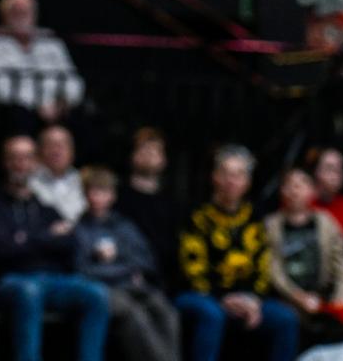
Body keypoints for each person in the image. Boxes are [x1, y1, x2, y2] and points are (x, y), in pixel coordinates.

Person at [176, 145, 299, 361]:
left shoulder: (254, 218)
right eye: (226, 173)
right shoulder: (197, 217)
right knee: (211, 314)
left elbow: (263, 265)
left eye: (239, 174)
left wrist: (253, 300)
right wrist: (224, 298)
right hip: (203, 294)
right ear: (214, 177)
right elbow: (193, 270)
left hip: (247, 298)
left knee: (286, 319)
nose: (231, 180)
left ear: (247, 182)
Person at [73, 167, 177, 361]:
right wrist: (123, 270)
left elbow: (145, 260)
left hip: (131, 286)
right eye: (93, 191)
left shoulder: (123, 225)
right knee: (135, 315)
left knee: (165, 310)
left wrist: (118, 264)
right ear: (85, 194)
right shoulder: (79, 228)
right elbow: (82, 270)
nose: (97, 198)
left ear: (112, 196)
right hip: (103, 290)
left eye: (103, 192)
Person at [262, 167, 343, 350]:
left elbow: (342, 263)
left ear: (313, 191)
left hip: (325, 297)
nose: (295, 190)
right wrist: (298, 297)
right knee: (289, 323)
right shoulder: (270, 225)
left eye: (301, 184)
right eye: (289, 185)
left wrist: (341, 299)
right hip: (287, 298)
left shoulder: (326, 221)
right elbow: (272, 268)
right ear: (281, 191)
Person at [0, 0, 86, 126]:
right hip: (12, 111)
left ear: (35, 15)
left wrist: (61, 103)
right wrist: (38, 104)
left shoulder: (50, 40)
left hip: (55, 109)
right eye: (16, 12)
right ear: (4, 15)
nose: (21, 16)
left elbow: (72, 79)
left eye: (26, 11)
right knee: (19, 116)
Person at [117, 128, 178, 289]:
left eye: (155, 151)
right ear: (132, 155)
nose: (150, 155)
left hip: (164, 280)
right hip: (127, 276)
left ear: (164, 159)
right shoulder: (117, 197)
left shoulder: (171, 203)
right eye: (144, 149)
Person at [31, 124, 85, 223]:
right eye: (50, 145)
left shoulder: (84, 181)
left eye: (62, 145)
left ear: (72, 151)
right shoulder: (29, 182)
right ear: (40, 150)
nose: (57, 151)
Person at [307, 145, 343, 238]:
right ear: (315, 172)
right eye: (330, 168)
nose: (337, 173)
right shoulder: (302, 205)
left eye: (340, 168)